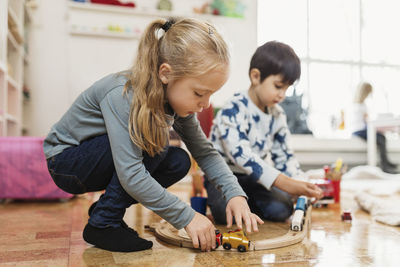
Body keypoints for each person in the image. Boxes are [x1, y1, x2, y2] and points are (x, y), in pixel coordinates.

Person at [43, 18, 263, 253]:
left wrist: (235, 194)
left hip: (98, 159)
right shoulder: (123, 94)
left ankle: (105, 211)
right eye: (199, 93)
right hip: (66, 162)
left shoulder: (178, 102)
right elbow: (130, 174)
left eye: (211, 95)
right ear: (165, 73)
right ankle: (103, 223)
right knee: (153, 143)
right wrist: (188, 217)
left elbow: (205, 153)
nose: (205, 104)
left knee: (178, 160)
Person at [205, 41, 323, 224]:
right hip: (225, 177)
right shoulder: (233, 109)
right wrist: (286, 184)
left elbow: (284, 156)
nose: (283, 94)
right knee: (224, 214)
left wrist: (300, 183)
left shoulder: (277, 115)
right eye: (278, 86)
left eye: (287, 88)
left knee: (282, 209)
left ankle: (248, 205)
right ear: (255, 76)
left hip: (254, 180)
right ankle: (240, 204)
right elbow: (241, 155)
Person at [351, 82, 398, 173]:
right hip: (359, 131)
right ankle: (385, 165)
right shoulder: (361, 106)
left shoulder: (356, 104)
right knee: (381, 137)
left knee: (381, 137)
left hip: (359, 130)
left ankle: (386, 163)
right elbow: (367, 121)